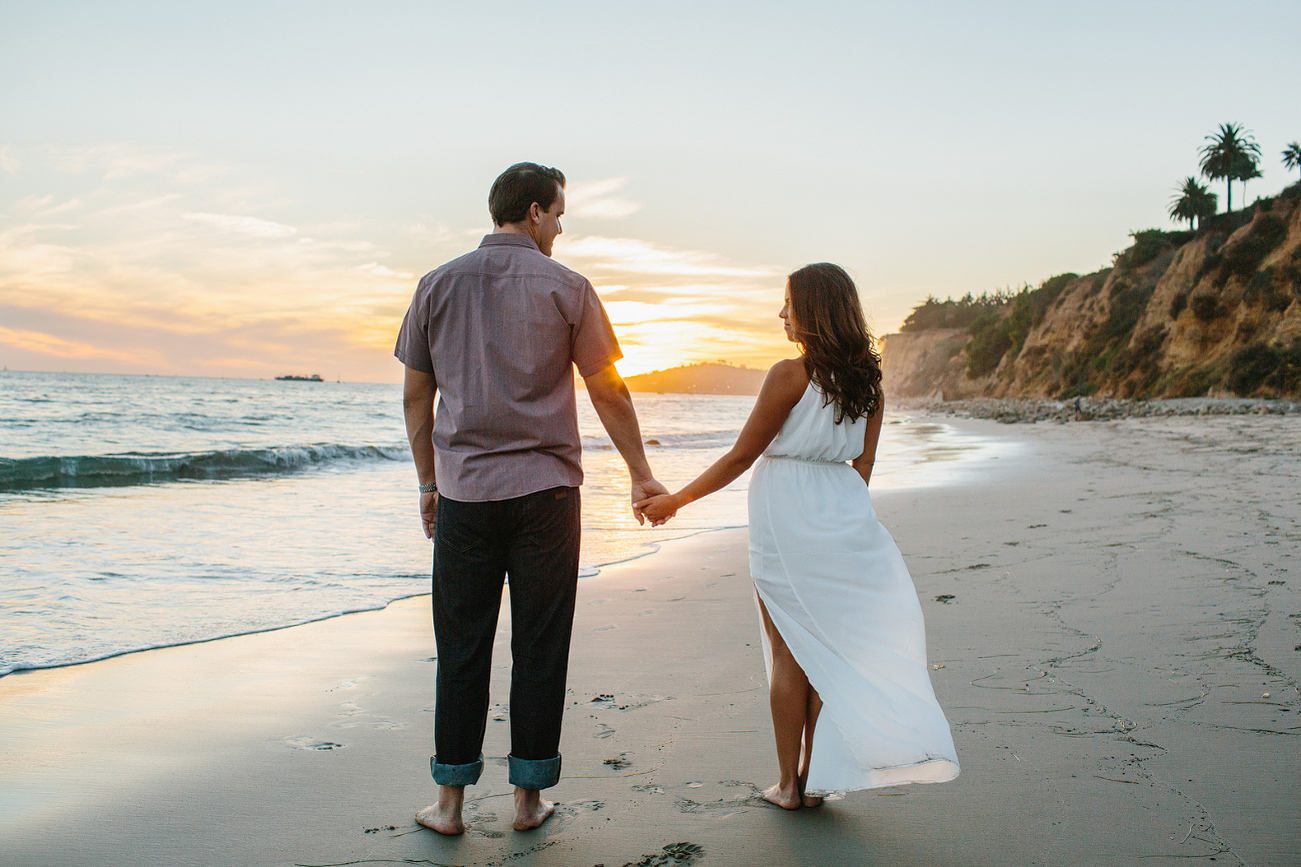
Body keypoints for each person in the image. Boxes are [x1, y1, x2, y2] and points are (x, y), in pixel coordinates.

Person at [395, 162, 668, 835]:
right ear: (535, 211)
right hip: (546, 494)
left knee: (461, 647)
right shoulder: (566, 287)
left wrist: (428, 483)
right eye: (559, 214)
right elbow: (607, 388)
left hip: (465, 493)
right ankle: (527, 801)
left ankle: (450, 804)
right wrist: (638, 472)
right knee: (540, 646)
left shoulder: (436, 283)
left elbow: (414, 397)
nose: (562, 227)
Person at [637, 263, 959, 807]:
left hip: (786, 519)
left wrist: (676, 500)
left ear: (812, 310)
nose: (781, 313)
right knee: (825, 650)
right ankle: (814, 780)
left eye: (788, 303)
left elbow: (742, 455)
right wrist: (841, 520)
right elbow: (865, 465)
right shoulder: (869, 384)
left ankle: (789, 785)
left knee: (788, 652)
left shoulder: (790, 374)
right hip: (846, 519)